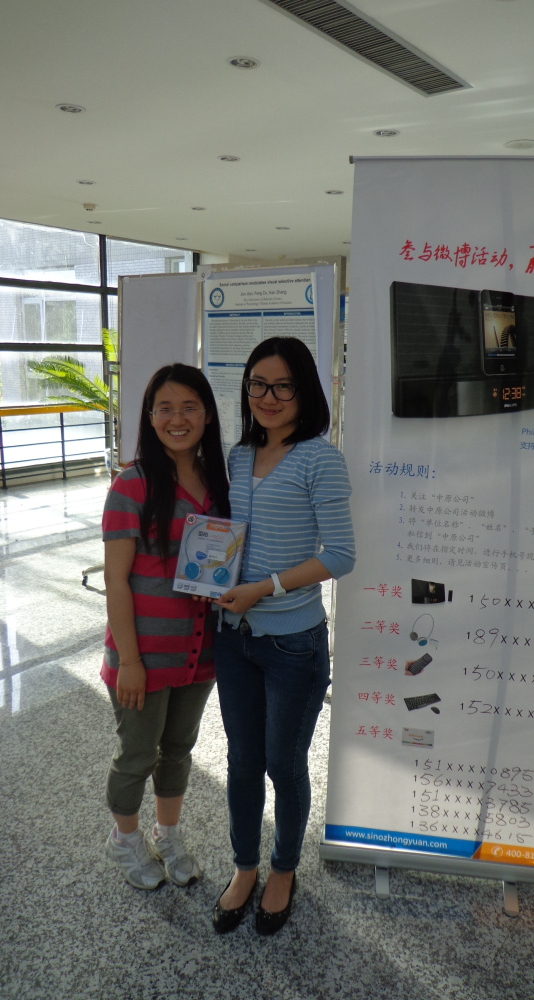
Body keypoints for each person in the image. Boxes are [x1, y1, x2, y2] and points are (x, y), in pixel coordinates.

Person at [210, 336, 355, 935]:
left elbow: (340, 555)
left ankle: (283, 870)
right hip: (232, 637)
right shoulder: (237, 455)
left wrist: (263, 588)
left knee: (282, 763)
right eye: (257, 384)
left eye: (282, 386)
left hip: (293, 642)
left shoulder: (320, 458)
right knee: (241, 761)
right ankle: (245, 866)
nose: (268, 397)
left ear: (304, 391)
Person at [101, 363, 230, 890]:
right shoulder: (131, 484)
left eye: (189, 407)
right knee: (137, 755)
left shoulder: (219, 481)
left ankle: (167, 834)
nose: (177, 419)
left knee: (177, 751)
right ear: (150, 416)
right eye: (165, 408)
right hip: (143, 656)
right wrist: (130, 662)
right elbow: (115, 580)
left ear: (207, 415)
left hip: (199, 652)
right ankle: (125, 839)